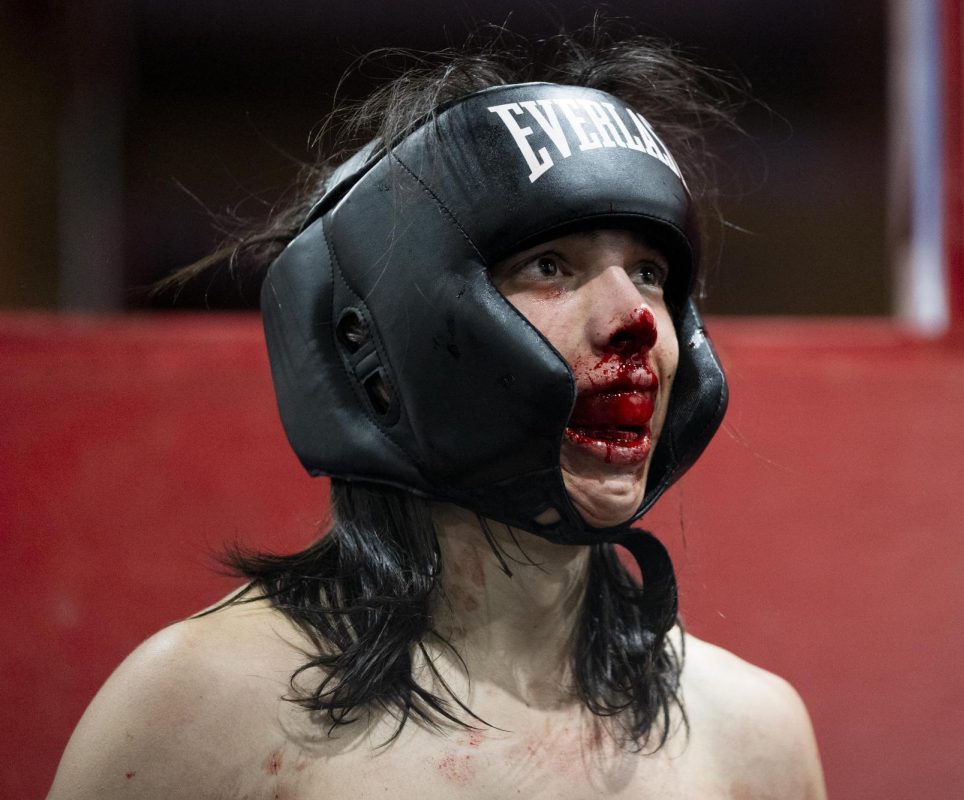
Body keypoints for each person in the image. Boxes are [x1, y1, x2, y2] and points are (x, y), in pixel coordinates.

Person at [48, 29, 826, 800]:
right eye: (551, 266)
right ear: (387, 336)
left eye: (652, 273)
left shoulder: (748, 735)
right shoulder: (205, 711)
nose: (636, 321)